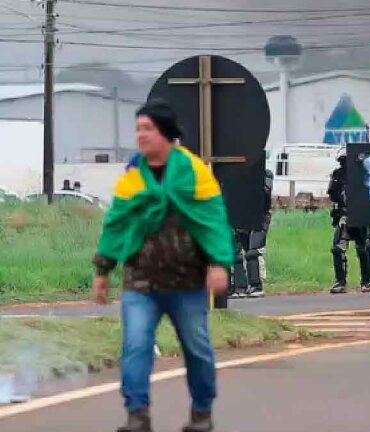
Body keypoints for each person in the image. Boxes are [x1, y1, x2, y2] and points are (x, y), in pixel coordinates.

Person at [92, 100, 233, 432]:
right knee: (135, 346)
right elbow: (116, 224)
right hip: (140, 282)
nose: (141, 135)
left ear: (166, 133)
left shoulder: (194, 171)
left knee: (197, 349)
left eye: (148, 128)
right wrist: (102, 270)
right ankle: (137, 414)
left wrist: (218, 263)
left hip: (187, 283)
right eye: (138, 128)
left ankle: (202, 412)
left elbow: (213, 220)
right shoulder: (133, 176)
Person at [328, 147, 370, 294]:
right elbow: (334, 197)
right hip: (347, 215)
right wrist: (337, 215)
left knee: (369, 246)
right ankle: (340, 281)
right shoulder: (339, 175)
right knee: (338, 247)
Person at [231, 168, 274, 298]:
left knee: (252, 252)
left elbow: (265, 193)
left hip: (260, 218)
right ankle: (239, 287)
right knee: (236, 254)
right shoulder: (233, 175)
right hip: (240, 217)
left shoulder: (265, 175)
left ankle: (256, 285)